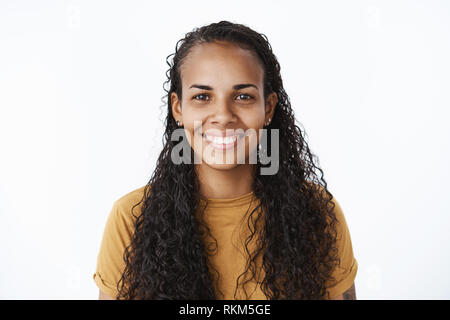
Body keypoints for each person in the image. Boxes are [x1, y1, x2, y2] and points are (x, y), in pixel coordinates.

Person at [93, 20, 358, 300]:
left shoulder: (315, 212)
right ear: (178, 109)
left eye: (243, 96)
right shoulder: (131, 218)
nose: (223, 115)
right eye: (202, 96)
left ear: (267, 108)